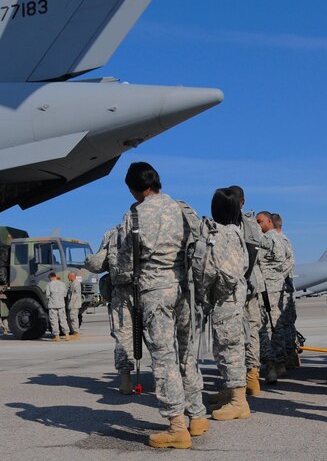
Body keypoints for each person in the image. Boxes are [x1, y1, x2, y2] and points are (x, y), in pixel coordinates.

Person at [116, 162, 206, 448]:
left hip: (155, 292)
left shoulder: (134, 215)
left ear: (133, 188)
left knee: (164, 358)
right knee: (186, 354)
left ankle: (176, 427)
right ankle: (198, 416)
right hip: (185, 290)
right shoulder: (181, 207)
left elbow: (125, 264)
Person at [200, 188, 251, 421]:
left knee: (228, 347)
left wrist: (208, 292)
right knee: (226, 346)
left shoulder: (222, 234)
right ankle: (231, 391)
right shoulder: (235, 231)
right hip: (232, 296)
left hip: (226, 298)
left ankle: (239, 402)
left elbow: (220, 270)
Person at [86, 224, 137, 394]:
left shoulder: (112, 234)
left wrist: (89, 260)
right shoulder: (149, 227)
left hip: (121, 292)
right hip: (147, 289)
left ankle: (125, 381)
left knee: (123, 336)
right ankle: (162, 380)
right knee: (156, 335)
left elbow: (98, 264)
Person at [227, 185, 265, 396]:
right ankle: (251, 377)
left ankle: (246, 377)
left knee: (240, 331)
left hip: (240, 283)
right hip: (250, 282)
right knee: (250, 330)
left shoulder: (230, 224)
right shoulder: (252, 224)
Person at [256, 210, 288, 384]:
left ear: (269, 221)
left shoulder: (267, 239)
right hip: (276, 288)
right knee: (277, 327)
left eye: (260, 222)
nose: (258, 225)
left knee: (263, 328)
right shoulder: (280, 239)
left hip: (265, 289)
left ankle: (270, 366)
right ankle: (280, 363)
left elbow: (254, 260)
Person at [271, 212, 299, 370]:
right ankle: (291, 355)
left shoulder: (278, 240)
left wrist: (275, 277)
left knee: (281, 324)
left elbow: (288, 262)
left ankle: (284, 358)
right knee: (288, 324)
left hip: (281, 288)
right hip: (286, 288)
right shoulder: (285, 239)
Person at [45, 271, 70, 342]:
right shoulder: (62, 284)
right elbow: (65, 294)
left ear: (50, 277)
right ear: (55, 276)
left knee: (54, 321)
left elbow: (47, 295)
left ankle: (57, 336)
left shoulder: (49, 285)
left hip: (53, 305)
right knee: (63, 320)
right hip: (61, 304)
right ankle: (67, 335)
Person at [66, 270, 83, 339]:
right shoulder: (73, 283)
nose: (67, 278)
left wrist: (70, 305)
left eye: (68, 276)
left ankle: (76, 333)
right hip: (74, 304)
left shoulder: (76, 284)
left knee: (73, 318)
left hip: (74, 304)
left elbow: (74, 296)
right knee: (72, 318)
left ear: (71, 276)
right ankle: (74, 332)